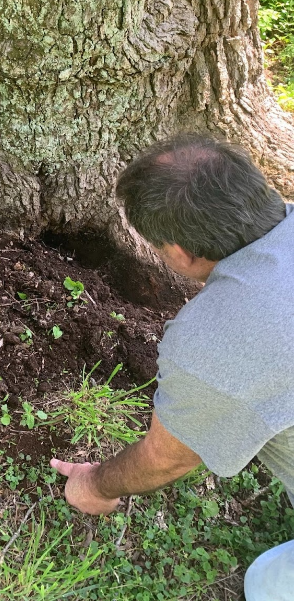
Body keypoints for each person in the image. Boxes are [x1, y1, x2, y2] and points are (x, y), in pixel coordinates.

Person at [51, 134, 294, 601]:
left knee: (266, 584)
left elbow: (168, 457)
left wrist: (94, 485)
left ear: (180, 253)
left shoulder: (214, 339)